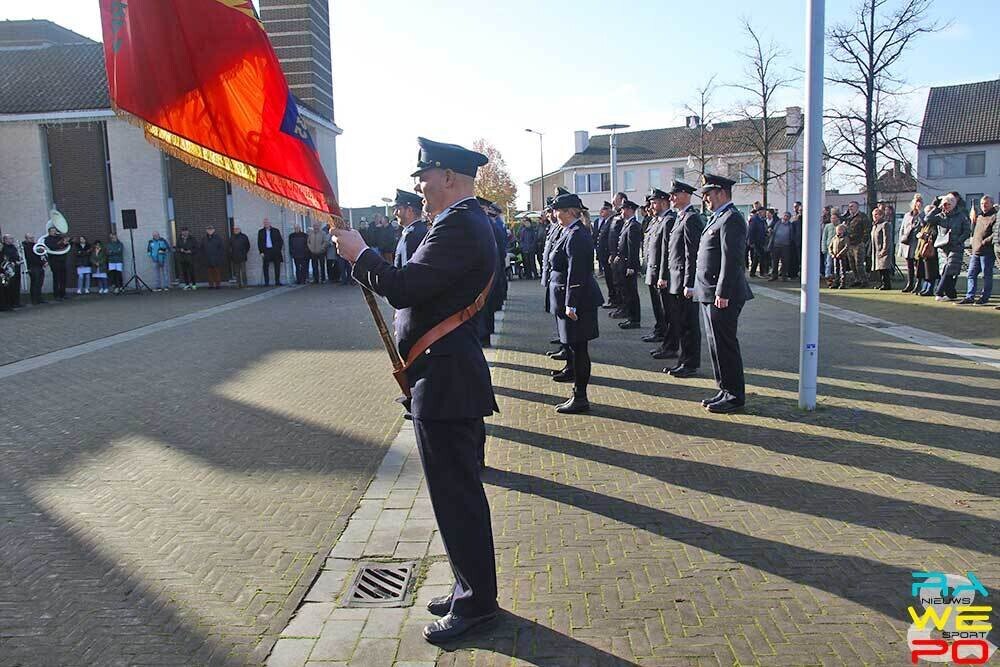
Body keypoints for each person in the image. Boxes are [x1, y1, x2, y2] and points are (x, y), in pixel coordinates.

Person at [330, 137, 498, 643]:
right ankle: (472, 588)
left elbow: (405, 287)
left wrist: (360, 254)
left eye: (425, 176)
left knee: (457, 497)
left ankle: (477, 605)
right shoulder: (457, 223)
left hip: (446, 382)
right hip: (443, 377)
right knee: (455, 496)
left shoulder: (460, 225)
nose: (419, 186)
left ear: (449, 177)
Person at [694, 174, 753, 413]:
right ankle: (725, 389)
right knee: (715, 344)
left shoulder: (731, 219)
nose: (705, 198)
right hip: (710, 292)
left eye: (708, 194)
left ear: (721, 192)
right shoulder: (717, 218)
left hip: (723, 293)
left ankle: (735, 395)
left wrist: (723, 291)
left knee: (725, 344)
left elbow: (732, 259)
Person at [547, 192, 602, 414]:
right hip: (568, 297)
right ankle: (577, 394)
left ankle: (580, 397)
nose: (555, 214)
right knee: (574, 347)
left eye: (558, 210)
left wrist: (571, 304)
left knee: (579, 349)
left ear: (570, 212)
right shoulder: (568, 231)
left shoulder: (577, 234)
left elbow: (577, 272)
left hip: (578, 301)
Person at [661, 180, 704, 377]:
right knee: (681, 322)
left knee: (689, 324)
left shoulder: (691, 218)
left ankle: (690, 363)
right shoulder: (681, 217)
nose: (671, 198)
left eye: (675, 194)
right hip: (676, 279)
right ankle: (683, 360)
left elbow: (691, 254)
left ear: (686, 195)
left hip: (684, 281)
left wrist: (689, 283)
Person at [642, 189, 674, 349]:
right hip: (652, 271)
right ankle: (659, 331)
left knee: (666, 311)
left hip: (660, 273)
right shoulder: (657, 220)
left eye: (654, 202)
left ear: (663, 202)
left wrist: (663, 275)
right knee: (658, 308)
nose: (651, 206)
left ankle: (668, 341)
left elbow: (666, 251)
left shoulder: (668, 220)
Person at [927, 193, 971, 301]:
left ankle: (939, 291)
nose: (946, 206)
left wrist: (959, 240)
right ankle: (951, 294)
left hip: (955, 246)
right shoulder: (940, 216)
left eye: (949, 204)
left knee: (949, 267)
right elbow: (928, 219)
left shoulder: (961, 216)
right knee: (946, 271)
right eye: (945, 204)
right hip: (943, 247)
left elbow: (967, 231)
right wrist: (937, 207)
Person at [959, 195, 995, 305]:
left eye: (986, 204)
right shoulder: (979, 217)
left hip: (987, 252)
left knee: (986, 275)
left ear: (991, 204)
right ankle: (970, 296)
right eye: (982, 204)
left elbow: (995, 234)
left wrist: (984, 242)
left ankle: (984, 297)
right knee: (971, 274)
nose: (984, 206)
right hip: (976, 251)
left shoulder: (995, 217)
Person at [615, 199, 642, 329]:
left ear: (630, 210)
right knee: (626, 291)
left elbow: (633, 248)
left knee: (631, 292)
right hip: (623, 263)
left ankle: (635, 319)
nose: (621, 211)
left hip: (628, 265)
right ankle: (630, 317)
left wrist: (631, 266)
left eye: (624, 209)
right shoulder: (627, 224)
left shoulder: (633, 226)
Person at [897, 194, 923, 293]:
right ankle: (910, 283)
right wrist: (901, 243)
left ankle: (918, 284)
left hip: (917, 243)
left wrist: (920, 214)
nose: (918, 203)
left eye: (919, 201)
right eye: (916, 201)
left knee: (918, 265)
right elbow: (903, 229)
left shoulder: (922, 215)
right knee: (909, 265)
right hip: (907, 243)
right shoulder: (907, 215)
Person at [844, 201, 870, 287]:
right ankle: (857, 279)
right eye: (849, 206)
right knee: (852, 264)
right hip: (850, 244)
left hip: (858, 243)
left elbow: (867, 229)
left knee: (859, 264)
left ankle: (864, 280)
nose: (850, 208)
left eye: (852, 206)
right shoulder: (848, 218)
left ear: (857, 207)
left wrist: (863, 241)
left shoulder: (862, 216)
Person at [914, 211, 939, 297]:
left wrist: (925, 236)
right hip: (924, 250)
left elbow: (933, 235)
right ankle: (925, 288)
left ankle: (930, 289)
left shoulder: (934, 224)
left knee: (931, 271)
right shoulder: (926, 225)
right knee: (925, 271)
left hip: (931, 250)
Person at [767, 212, 795, 281]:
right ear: (782, 216)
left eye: (787, 216)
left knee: (785, 262)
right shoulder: (777, 223)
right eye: (785, 216)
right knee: (774, 262)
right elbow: (770, 229)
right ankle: (774, 276)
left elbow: (792, 236)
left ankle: (784, 276)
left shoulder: (790, 225)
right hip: (776, 245)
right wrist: (770, 231)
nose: (786, 217)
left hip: (786, 246)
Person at [43, 226, 68, 300]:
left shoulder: (59, 238)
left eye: (55, 230)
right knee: (56, 278)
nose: (54, 232)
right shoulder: (47, 239)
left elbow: (65, 246)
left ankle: (63, 294)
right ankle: (56, 295)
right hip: (54, 261)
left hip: (62, 260)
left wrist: (66, 242)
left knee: (63, 278)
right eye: (52, 231)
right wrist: (61, 244)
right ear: (49, 232)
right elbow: (52, 247)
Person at [870, 208, 892, 290]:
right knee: (879, 268)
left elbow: (887, 239)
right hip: (875, 250)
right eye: (873, 215)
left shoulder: (885, 224)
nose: (874, 217)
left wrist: (884, 250)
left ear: (881, 215)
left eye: (876, 215)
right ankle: (881, 283)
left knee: (884, 268)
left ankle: (887, 284)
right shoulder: (874, 226)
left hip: (882, 250)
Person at [257, 218, 284, 286]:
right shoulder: (261, 232)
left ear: (270, 223)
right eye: (265, 223)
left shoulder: (276, 230)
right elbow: (259, 243)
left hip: (275, 251)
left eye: (267, 223)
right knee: (265, 267)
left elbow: (280, 241)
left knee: (277, 266)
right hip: (266, 251)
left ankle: (277, 281)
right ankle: (266, 282)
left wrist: (278, 249)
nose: (266, 224)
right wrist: (261, 252)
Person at [22, 234, 47, 305]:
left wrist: (45, 262)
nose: (32, 239)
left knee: (40, 283)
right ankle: (34, 299)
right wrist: (42, 263)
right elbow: (30, 258)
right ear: (26, 239)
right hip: (33, 267)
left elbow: (42, 254)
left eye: (32, 238)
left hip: (39, 267)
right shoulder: (25, 247)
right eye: (30, 238)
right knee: (35, 283)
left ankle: (39, 298)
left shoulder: (36, 245)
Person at [0, 235, 21, 311]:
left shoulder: (13, 247)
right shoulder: (3, 249)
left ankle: (13, 303)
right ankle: (5, 305)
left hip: (13, 270)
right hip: (4, 273)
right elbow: (3, 260)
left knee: (13, 286)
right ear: (5, 240)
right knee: (5, 287)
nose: (12, 240)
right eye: (10, 238)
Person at [747, 205, 768, 277]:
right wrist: (751, 241)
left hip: (761, 240)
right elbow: (751, 231)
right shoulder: (754, 219)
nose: (765, 213)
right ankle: (762, 272)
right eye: (764, 212)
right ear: (760, 212)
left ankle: (752, 272)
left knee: (756, 257)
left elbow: (763, 229)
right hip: (756, 241)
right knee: (761, 256)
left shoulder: (762, 220)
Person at [829, 224, 850, 289]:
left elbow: (846, 247)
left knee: (842, 270)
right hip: (835, 257)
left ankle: (842, 283)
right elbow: (830, 247)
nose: (838, 231)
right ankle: (836, 282)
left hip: (842, 257)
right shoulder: (834, 238)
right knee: (836, 270)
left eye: (840, 230)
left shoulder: (845, 238)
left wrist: (840, 254)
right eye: (837, 230)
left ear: (843, 230)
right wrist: (832, 253)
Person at [822, 210, 839, 288]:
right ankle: (827, 277)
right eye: (832, 218)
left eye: (834, 218)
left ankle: (836, 277)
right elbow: (824, 237)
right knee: (828, 264)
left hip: (838, 248)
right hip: (829, 248)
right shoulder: (827, 226)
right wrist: (823, 248)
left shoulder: (840, 226)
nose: (833, 220)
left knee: (836, 264)